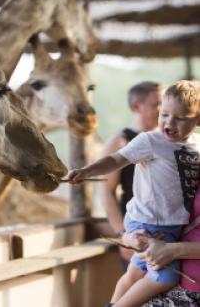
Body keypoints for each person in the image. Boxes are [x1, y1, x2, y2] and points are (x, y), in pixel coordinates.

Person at [68, 80, 200, 307]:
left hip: (171, 225)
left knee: (134, 273)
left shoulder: (196, 146)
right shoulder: (150, 140)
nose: (169, 122)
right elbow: (116, 160)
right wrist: (88, 170)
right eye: (164, 114)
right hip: (151, 222)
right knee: (165, 278)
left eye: (180, 117)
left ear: (197, 120)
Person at [101, 81, 163, 263]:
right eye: (156, 104)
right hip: (136, 233)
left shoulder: (167, 140)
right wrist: (123, 235)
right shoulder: (120, 142)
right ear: (137, 106)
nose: (162, 109)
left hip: (167, 233)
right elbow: (106, 191)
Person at [124, 180, 200, 306]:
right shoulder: (182, 171)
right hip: (154, 280)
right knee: (131, 275)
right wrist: (129, 237)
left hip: (189, 292)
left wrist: (172, 251)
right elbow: (139, 213)